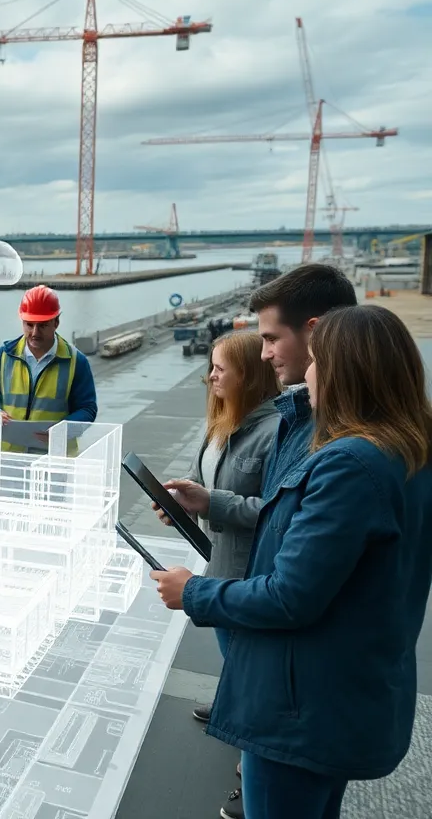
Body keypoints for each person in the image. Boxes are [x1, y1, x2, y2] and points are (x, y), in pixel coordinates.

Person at [151, 304, 432, 819]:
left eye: (317, 361)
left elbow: (290, 595)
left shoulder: (350, 463)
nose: (307, 373)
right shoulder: (408, 452)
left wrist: (192, 590)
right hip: (347, 690)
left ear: (345, 370)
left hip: (301, 705)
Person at [152, 263, 357, 819]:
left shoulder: (335, 450)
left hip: (291, 683)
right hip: (288, 663)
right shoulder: (311, 431)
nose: (267, 354)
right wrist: (203, 504)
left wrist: (193, 592)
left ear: (316, 335)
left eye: (270, 339)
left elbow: (292, 583)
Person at [149, 331, 280, 723]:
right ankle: (234, 705)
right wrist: (181, 506)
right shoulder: (219, 423)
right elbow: (199, 480)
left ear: (249, 375)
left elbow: (279, 512)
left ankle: (255, 740)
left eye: (220, 369)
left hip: (250, 574)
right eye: (211, 368)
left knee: (255, 663)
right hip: (220, 565)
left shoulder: (274, 433)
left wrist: (210, 503)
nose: (211, 377)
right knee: (234, 654)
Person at [0, 285, 97, 453]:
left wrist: (62, 431)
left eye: (43, 325)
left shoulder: (76, 362)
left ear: (56, 322)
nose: (35, 332)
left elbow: (87, 409)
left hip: (54, 460)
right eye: (29, 325)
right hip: (9, 460)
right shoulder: (2, 356)